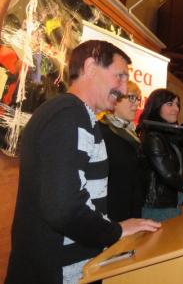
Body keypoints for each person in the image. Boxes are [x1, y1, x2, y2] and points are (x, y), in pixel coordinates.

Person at [6, 40, 161, 284]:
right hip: (54, 273)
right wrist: (116, 231)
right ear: (90, 67)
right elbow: (63, 208)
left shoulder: (80, 116)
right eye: (119, 77)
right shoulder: (69, 114)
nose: (122, 88)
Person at [138, 88, 183, 222]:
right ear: (156, 106)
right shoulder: (153, 136)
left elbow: (178, 170)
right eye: (170, 104)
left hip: (171, 204)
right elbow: (168, 175)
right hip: (158, 208)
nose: (176, 109)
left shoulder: (169, 135)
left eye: (177, 105)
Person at [99, 81, 143, 221]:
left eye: (138, 99)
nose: (136, 104)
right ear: (115, 100)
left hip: (132, 212)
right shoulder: (101, 132)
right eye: (131, 97)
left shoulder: (131, 133)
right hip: (111, 215)